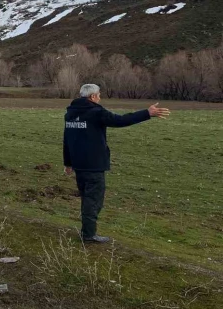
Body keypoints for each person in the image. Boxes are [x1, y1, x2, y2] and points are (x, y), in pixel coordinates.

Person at [63, 84, 170, 243]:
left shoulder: (70, 113)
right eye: (98, 95)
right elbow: (120, 120)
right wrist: (147, 113)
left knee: (87, 199)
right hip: (94, 165)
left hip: (79, 164)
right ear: (93, 97)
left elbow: (67, 139)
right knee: (93, 201)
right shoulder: (96, 112)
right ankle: (89, 235)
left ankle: (87, 231)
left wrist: (68, 162)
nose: (99, 97)